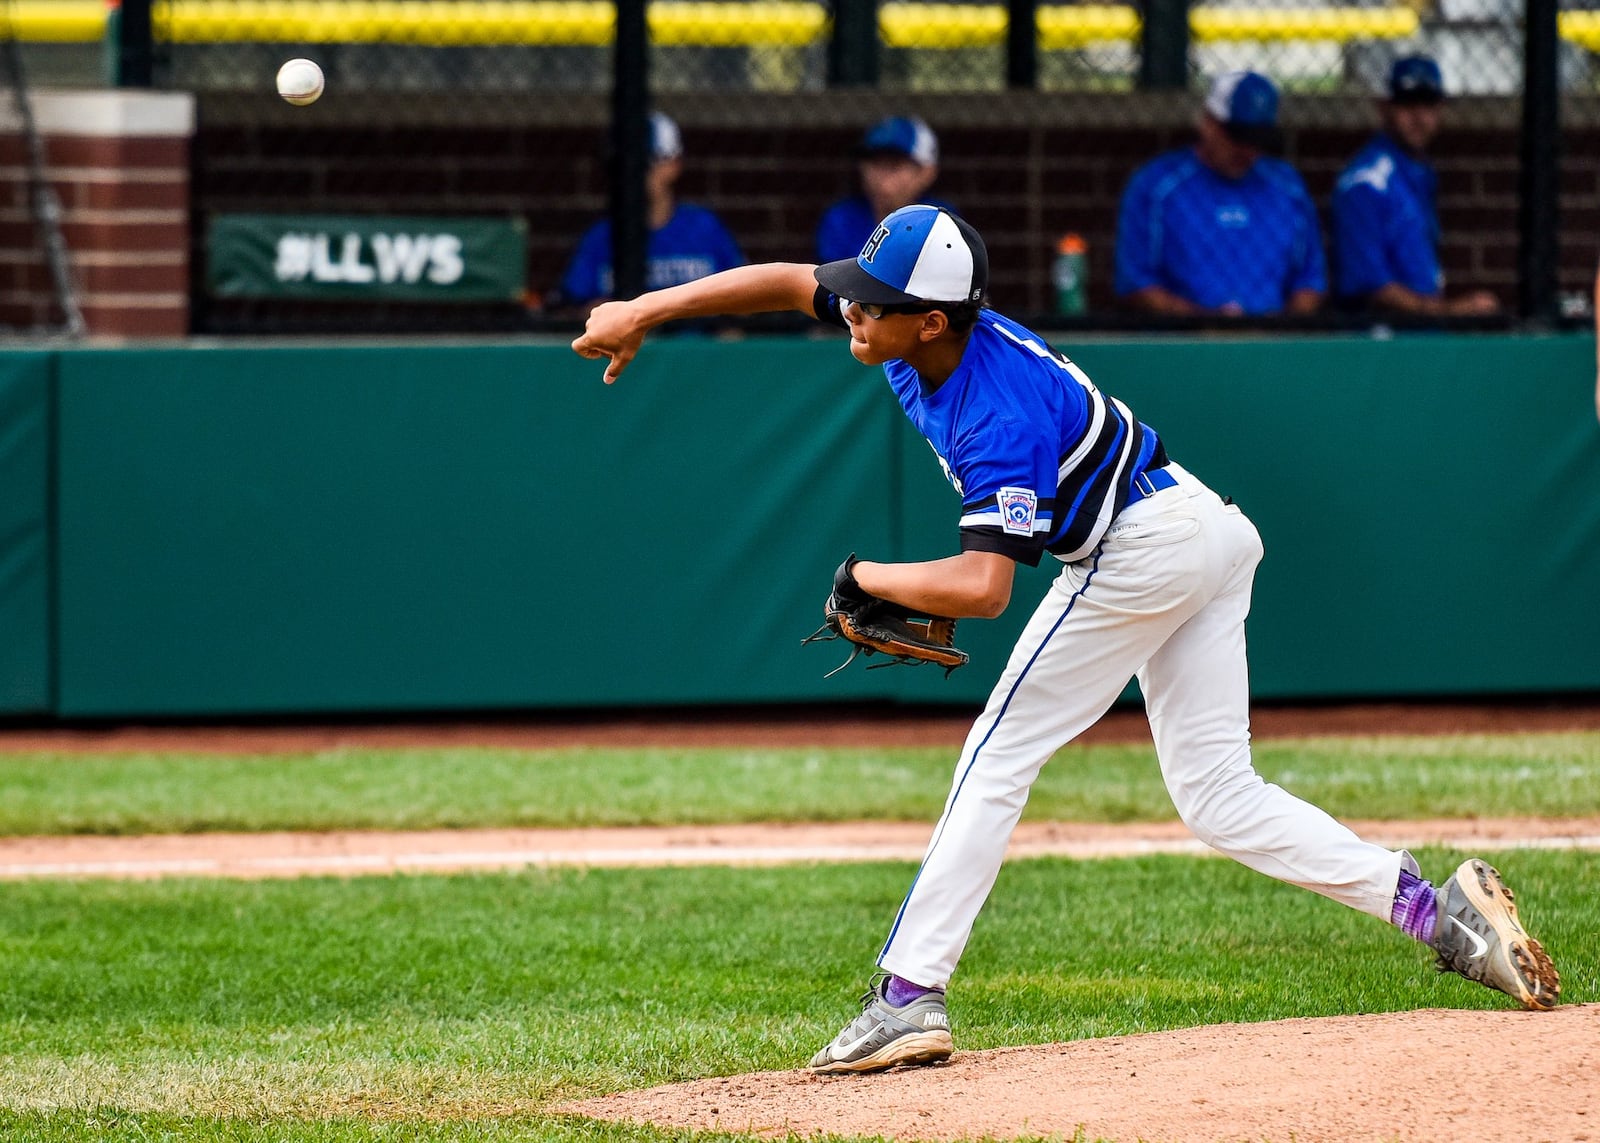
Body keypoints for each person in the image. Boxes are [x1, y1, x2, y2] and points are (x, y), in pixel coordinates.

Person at [571, 205, 1561, 1074]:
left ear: (929, 319)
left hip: (1145, 547)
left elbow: (985, 588)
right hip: (1201, 529)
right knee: (1218, 798)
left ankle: (908, 997)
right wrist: (642, 313)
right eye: (857, 295)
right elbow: (791, 281)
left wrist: (864, 577)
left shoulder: (991, 408)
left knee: (997, 751)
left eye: (872, 302)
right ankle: (1436, 913)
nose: (851, 311)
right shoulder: (915, 332)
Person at [1115, 71, 1325, 316]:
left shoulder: (1288, 187)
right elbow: (1135, 284)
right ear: (1207, 123)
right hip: (1184, 343)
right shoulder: (1156, 187)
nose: (1247, 150)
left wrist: (1277, 331)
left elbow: (1310, 282)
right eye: (1238, 137)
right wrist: (1206, 322)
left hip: (1269, 344)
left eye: (1257, 139)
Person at [1330, 56, 1500, 316]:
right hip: (1379, 336)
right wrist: (1450, 311)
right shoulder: (1366, 182)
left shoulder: (1419, 171)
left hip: (1419, 332)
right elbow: (1371, 288)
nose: (1419, 117)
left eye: (1428, 105)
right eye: (1408, 105)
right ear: (1385, 108)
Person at [552, 112, 745, 311]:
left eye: (645, 163)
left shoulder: (705, 228)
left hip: (694, 341)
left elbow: (743, 299)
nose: (634, 174)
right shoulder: (602, 236)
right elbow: (573, 306)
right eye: (624, 165)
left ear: (673, 163)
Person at [815, 116, 953, 265]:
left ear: (926, 173)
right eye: (874, 163)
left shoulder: (942, 221)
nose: (880, 176)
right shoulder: (842, 219)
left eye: (894, 165)